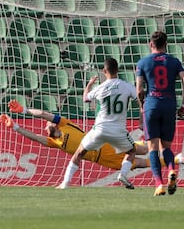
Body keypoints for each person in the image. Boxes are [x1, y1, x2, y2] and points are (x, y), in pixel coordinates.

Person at [0, 104, 184, 173]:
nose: (45, 126)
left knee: (142, 149)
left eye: (48, 124)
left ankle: (160, 136)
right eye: (45, 126)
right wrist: (15, 126)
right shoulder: (54, 142)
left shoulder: (64, 124)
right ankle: (176, 159)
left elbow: (43, 113)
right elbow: (34, 137)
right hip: (103, 159)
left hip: (106, 144)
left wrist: (24, 111)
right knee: (142, 164)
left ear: (54, 125)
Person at [55, 57, 139, 190]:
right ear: (118, 70)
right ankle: (122, 174)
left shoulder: (100, 87)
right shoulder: (127, 86)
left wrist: (89, 84)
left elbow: (85, 99)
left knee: (79, 153)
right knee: (132, 150)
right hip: (118, 130)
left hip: (99, 129)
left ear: (104, 71)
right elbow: (139, 97)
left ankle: (66, 182)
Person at [136, 31, 184, 196]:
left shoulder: (143, 62)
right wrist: (183, 105)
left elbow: (139, 90)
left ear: (151, 44)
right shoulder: (174, 61)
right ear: (166, 44)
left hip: (151, 105)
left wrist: (141, 107)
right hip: (169, 105)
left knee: (153, 147)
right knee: (166, 147)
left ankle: (159, 185)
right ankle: (172, 170)